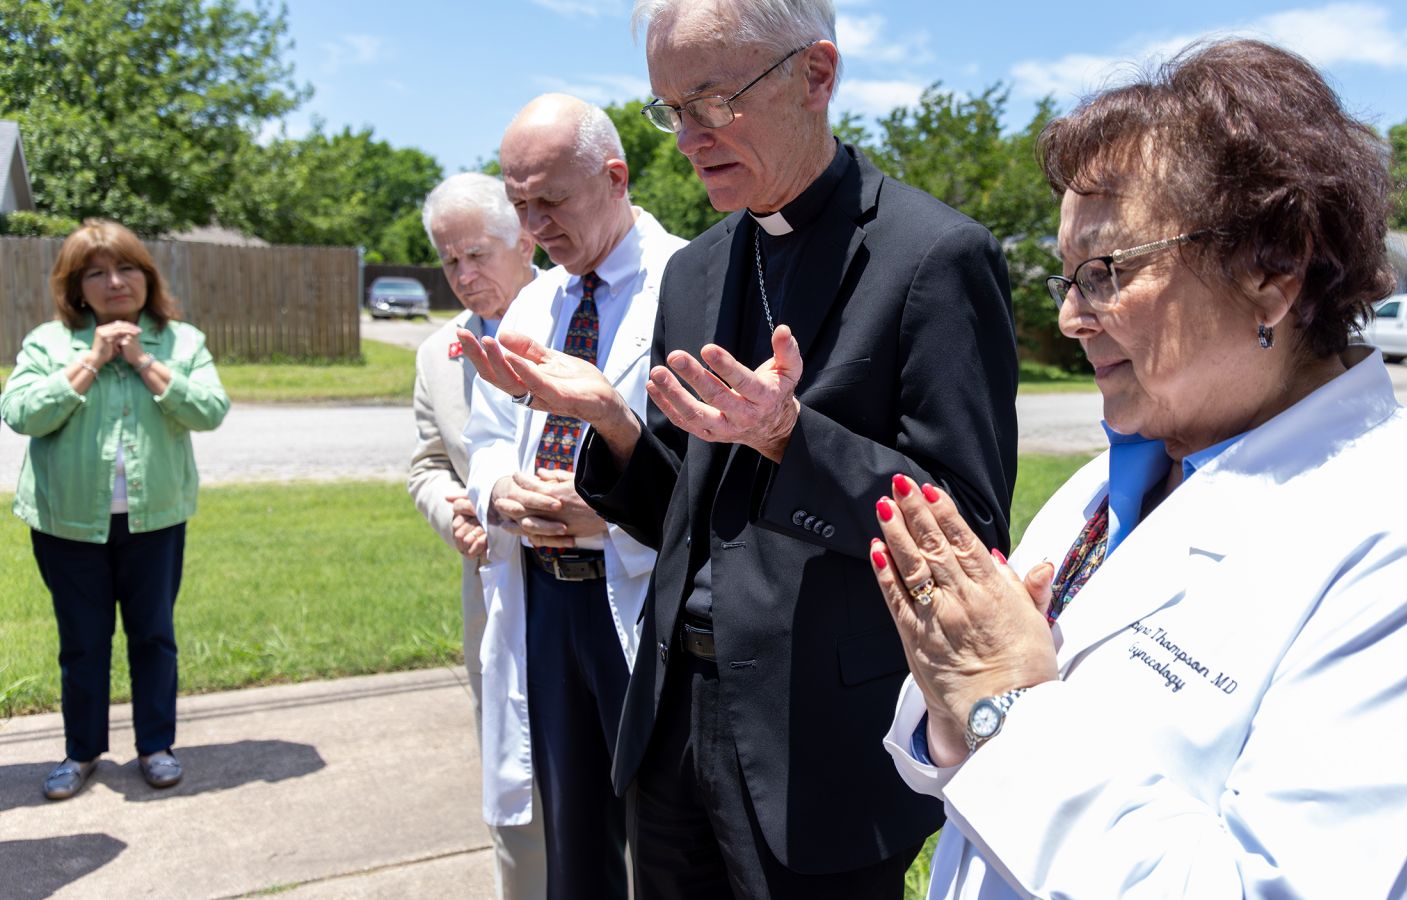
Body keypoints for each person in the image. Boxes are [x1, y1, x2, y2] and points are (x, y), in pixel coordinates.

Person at [871, 39, 1407, 899]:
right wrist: (960, 704)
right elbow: (971, 771)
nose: (1069, 319)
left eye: (1105, 273)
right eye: (1066, 278)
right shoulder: (1117, 481)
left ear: (1271, 274)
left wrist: (1004, 702)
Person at [460, 1, 1019, 894]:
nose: (687, 137)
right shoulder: (700, 267)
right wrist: (608, 417)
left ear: (817, 75)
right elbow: (688, 513)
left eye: (713, 101)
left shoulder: (932, 256)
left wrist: (789, 437)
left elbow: (971, 529)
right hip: (673, 719)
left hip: (816, 742)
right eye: (669, 109)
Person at [459, 93, 685, 899]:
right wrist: (499, 491)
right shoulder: (533, 301)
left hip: (642, 599)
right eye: (520, 207)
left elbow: (711, 457)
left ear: (615, 177)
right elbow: (484, 435)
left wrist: (616, 504)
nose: (533, 230)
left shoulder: (687, 282)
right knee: (574, 840)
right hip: (548, 604)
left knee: (667, 833)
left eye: (549, 201)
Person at [1, 218, 231, 801]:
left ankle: (155, 746)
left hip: (155, 520)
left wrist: (144, 364)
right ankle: (82, 754)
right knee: (82, 640)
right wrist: (94, 360)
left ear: (146, 277)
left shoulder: (182, 341)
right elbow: (23, 412)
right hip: (67, 522)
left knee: (153, 635)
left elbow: (209, 410)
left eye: (127, 267)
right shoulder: (48, 343)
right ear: (76, 288)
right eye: (96, 273)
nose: (114, 282)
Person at [406, 171, 547, 898]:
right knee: (508, 774)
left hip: (588, 587)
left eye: (477, 254)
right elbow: (428, 460)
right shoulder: (439, 352)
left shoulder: (579, 316)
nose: (463, 275)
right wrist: (453, 508)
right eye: (448, 260)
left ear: (525, 239)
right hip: (491, 589)